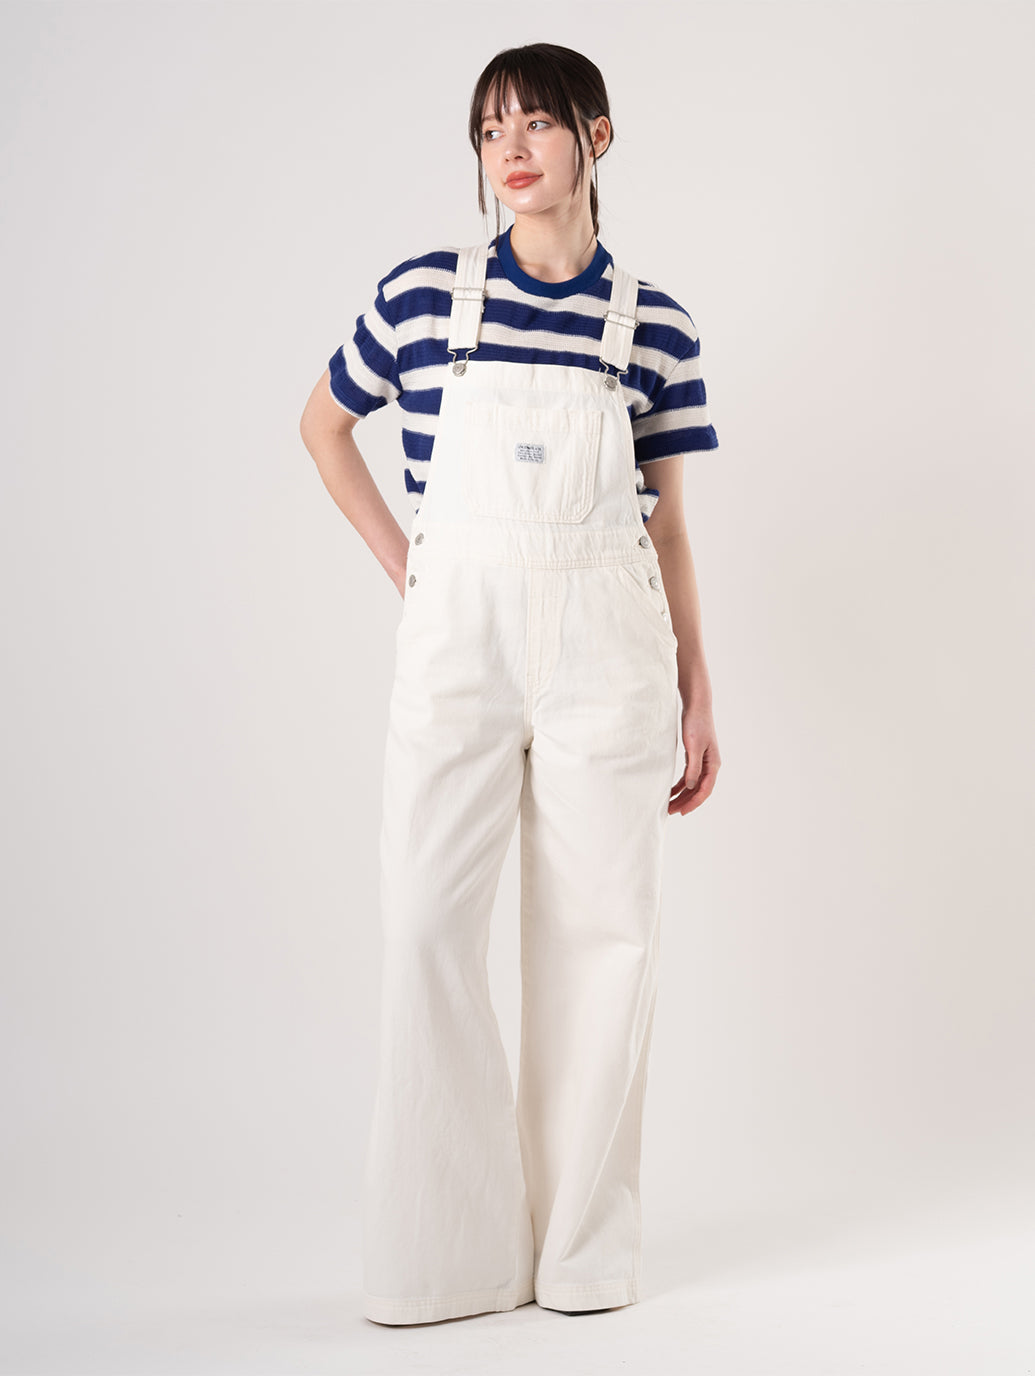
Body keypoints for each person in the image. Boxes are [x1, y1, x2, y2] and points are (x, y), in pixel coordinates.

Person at [299, 41, 721, 1326]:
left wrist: (699, 687)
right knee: (427, 922)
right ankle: (447, 1257)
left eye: (538, 123)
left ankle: (583, 1253)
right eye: (491, 132)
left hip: (611, 654)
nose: (512, 152)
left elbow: (665, 523)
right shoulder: (425, 294)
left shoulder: (657, 323)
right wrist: (410, 565)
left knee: (604, 938)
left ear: (598, 134)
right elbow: (324, 424)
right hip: (459, 644)